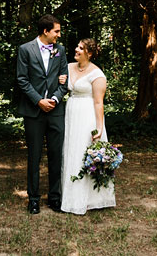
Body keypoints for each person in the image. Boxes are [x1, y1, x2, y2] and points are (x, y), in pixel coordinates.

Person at [14, 14, 69, 214]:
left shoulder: (60, 50)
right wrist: (39, 100)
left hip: (56, 111)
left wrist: (54, 99)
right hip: (33, 111)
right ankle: (34, 199)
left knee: (56, 155)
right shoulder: (25, 49)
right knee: (34, 156)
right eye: (56, 31)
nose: (59, 35)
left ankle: (55, 198)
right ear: (45, 31)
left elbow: (65, 79)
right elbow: (22, 80)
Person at [59, 38, 116, 214]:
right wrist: (61, 80)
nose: (76, 49)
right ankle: (68, 195)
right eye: (77, 46)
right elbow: (59, 87)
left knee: (82, 151)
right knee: (70, 151)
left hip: (87, 116)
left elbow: (99, 103)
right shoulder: (68, 67)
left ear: (89, 54)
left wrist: (99, 128)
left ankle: (90, 198)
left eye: (81, 48)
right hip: (70, 113)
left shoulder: (97, 75)